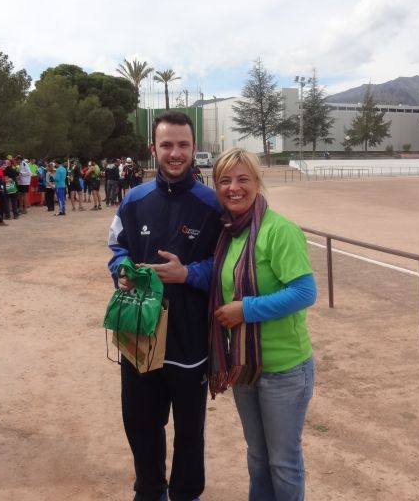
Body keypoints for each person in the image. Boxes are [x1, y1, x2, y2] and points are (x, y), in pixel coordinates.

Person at [107, 111, 222, 501]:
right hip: (139, 331)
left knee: (189, 430)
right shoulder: (134, 201)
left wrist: (187, 274)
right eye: (167, 145)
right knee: (140, 422)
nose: (176, 153)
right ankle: (150, 490)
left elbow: (227, 265)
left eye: (183, 145)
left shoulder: (212, 205)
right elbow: (117, 248)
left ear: (194, 148)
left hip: (189, 337)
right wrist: (121, 270)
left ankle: (186, 493)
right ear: (153, 148)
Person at [209, 147, 317, 501]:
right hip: (245, 366)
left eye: (243, 179)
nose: (234, 188)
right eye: (225, 180)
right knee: (257, 457)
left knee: (283, 462)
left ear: (257, 182)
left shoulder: (278, 230)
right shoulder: (228, 233)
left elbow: (304, 292)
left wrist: (246, 310)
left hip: (285, 368)